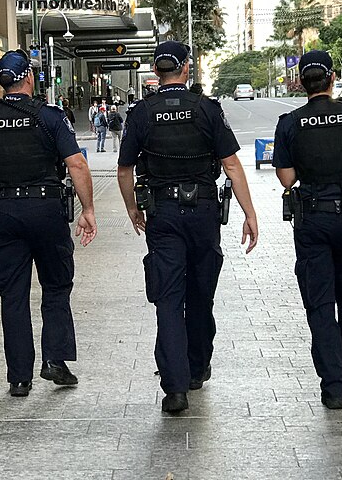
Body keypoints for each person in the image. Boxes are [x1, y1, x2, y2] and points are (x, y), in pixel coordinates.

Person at [117, 40, 259, 413]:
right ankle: (196, 368)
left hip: (162, 213)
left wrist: (133, 208)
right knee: (200, 294)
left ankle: (175, 388)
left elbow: (125, 169)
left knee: (167, 297)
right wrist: (250, 213)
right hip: (203, 213)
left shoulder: (141, 113)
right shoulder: (207, 109)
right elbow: (231, 165)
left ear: (156, 70)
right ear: (186, 68)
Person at [0, 50, 97, 398]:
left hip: (4, 213)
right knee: (56, 285)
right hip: (46, 209)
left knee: (13, 295)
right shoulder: (49, 117)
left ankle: (19, 378)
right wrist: (88, 209)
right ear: (29, 79)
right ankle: (55, 361)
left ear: (1, 83)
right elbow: (76, 165)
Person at [272, 50, 342, 410]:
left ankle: (333, 386)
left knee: (320, 302)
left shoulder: (290, 123)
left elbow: (287, 178)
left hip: (313, 219)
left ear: (300, 82)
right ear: (332, 78)